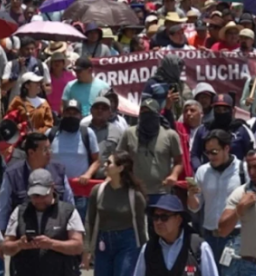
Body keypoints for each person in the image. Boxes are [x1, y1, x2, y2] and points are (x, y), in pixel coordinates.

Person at [2, 168, 85, 276]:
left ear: (52, 188)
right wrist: (20, 245)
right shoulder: (20, 212)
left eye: (43, 195)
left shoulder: (68, 211)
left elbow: (78, 246)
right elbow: (5, 248)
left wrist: (51, 244)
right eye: (34, 196)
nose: (39, 200)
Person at [129, 194, 225, 276]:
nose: (158, 222)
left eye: (164, 217)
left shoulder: (199, 248)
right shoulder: (148, 250)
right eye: (156, 217)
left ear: (178, 220)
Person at [189, 129, 247, 276]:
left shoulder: (242, 170)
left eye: (215, 152)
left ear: (227, 149)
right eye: (207, 152)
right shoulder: (203, 171)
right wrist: (191, 195)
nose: (210, 156)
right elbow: (196, 207)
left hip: (234, 236)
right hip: (210, 236)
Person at [117, 99, 184, 230]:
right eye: (143, 112)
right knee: (136, 231)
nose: (146, 115)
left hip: (160, 193)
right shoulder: (129, 133)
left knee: (159, 231)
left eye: (150, 112)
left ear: (157, 114)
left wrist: (174, 175)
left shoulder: (170, 135)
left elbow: (179, 162)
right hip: (134, 192)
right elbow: (120, 159)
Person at [0, 132, 75, 233]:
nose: (49, 153)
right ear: (31, 153)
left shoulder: (59, 171)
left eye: (50, 148)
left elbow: (69, 203)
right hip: (24, 237)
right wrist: (2, 235)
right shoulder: (12, 174)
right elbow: (3, 208)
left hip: (55, 235)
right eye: (45, 150)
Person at [48, 99, 101, 219]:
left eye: (74, 113)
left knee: (78, 226)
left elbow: (97, 160)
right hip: (55, 190)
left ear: (80, 115)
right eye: (68, 113)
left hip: (79, 191)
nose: (71, 116)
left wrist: (88, 175)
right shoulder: (51, 133)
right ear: (62, 113)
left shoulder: (87, 133)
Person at [142, 54, 192, 122]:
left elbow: (187, 106)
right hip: (156, 123)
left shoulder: (180, 85)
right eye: (177, 67)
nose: (179, 71)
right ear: (169, 67)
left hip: (175, 123)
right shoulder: (152, 83)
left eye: (181, 68)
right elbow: (145, 106)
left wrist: (178, 100)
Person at [82, 96, 123, 179]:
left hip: (107, 178)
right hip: (83, 177)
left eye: (104, 108)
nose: (100, 110)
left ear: (109, 112)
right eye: (97, 107)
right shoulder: (81, 129)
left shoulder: (117, 131)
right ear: (91, 110)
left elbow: (120, 157)